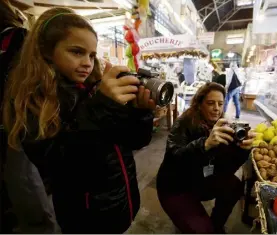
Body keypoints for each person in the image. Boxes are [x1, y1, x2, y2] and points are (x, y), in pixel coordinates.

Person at [3, 7, 155, 234]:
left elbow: (135, 141)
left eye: (92, 55)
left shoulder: (94, 89)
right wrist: (101, 107)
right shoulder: (35, 103)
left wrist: (140, 112)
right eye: (77, 52)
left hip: (121, 202)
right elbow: (63, 165)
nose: (87, 62)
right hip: (85, 218)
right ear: (46, 51)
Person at [156, 82, 256, 233]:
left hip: (200, 180)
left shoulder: (222, 126)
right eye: (210, 103)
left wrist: (242, 150)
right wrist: (205, 145)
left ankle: (216, 225)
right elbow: (174, 159)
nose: (216, 108)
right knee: (202, 230)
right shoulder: (184, 122)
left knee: (234, 185)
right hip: (175, 186)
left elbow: (226, 169)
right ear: (199, 104)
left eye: (220, 104)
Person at [0, 1, 58, 233]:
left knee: (23, 178)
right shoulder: (18, 38)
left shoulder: (18, 38)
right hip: (19, 119)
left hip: (20, 119)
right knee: (23, 178)